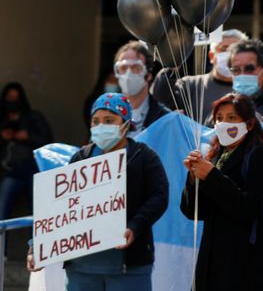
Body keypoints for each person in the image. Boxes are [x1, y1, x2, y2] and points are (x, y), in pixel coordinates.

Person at [28, 93, 169, 289]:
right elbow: (57, 207)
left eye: (109, 120)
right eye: (96, 121)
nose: (101, 126)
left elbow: (159, 196)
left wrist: (135, 226)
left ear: (126, 123)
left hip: (128, 270)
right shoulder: (81, 157)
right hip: (81, 269)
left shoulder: (143, 157)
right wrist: (37, 245)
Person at [181, 93, 263, 291]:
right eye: (219, 118)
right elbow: (194, 212)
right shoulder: (215, 155)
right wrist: (194, 180)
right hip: (213, 262)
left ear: (250, 124)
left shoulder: (262, 155)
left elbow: (249, 209)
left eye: (232, 118)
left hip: (246, 264)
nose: (223, 124)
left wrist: (211, 177)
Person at [0, 82, 52, 219]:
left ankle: (35, 240)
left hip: (32, 169)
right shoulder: (2, 119)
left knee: (36, 215)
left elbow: (48, 142)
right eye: (9, 97)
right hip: (10, 172)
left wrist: (28, 136)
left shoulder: (33, 117)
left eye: (16, 97)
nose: (13, 101)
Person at [174, 29, 248, 123]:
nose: (230, 54)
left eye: (236, 49)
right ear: (212, 56)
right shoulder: (189, 85)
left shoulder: (251, 89)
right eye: (224, 48)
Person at [112, 41, 170, 137]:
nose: (128, 74)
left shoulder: (163, 118)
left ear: (148, 74)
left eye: (136, 68)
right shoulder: (106, 115)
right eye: (123, 68)